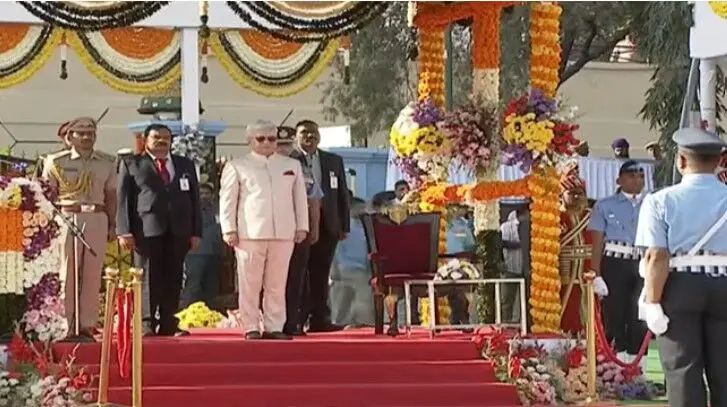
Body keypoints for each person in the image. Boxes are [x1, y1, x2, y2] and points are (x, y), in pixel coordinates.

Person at [636, 128, 727, 407]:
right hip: (724, 283)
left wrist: (652, 302)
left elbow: (657, 256)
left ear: (681, 161)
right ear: (720, 161)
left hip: (681, 286)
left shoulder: (660, 201)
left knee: (683, 370)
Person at [219, 121, 309, 340]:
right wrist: (228, 228)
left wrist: (302, 226)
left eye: (271, 138)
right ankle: (250, 325)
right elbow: (228, 200)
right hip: (250, 233)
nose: (267, 143)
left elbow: (300, 198)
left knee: (277, 284)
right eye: (261, 139)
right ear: (250, 141)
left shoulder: (290, 165)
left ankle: (274, 325)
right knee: (250, 283)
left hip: (283, 232)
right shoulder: (238, 166)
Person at [116, 123, 202, 336]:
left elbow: (195, 199)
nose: (162, 141)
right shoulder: (132, 164)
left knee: (173, 276)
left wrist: (196, 231)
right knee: (147, 277)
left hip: (179, 229)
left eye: (166, 137)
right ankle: (145, 322)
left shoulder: (184, 164)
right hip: (146, 230)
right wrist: (124, 231)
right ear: (145, 140)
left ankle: (168, 321)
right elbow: (123, 200)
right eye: (156, 137)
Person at [41, 117, 116, 339]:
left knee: (93, 274)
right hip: (67, 217)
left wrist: (113, 224)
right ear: (69, 136)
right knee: (67, 272)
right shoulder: (55, 161)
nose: (86, 138)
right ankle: (66, 324)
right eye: (81, 133)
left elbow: (111, 195)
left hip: (96, 217)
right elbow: (47, 196)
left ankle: (86, 324)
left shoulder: (107, 162)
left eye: (90, 134)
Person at [291, 120, 351, 332]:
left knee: (321, 272)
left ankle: (320, 319)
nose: (310, 136)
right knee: (299, 274)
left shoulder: (332, 161)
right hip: (299, 226)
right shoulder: (289, 160)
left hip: (328, 225)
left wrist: (344, 225)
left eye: (313, 132)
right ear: (295, 137)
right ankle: (297, 318)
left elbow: (342, 194)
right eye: (304, 133)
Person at [588, 160, 647, 367]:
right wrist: (596, 273)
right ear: (619, 180)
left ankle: (639, 368)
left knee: (640, 314)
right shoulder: (605, 205)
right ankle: (616, 367)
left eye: (641, 175)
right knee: (615, 313)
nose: (637, 179)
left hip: (642, 262)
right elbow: (597, 241)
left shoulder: (652, 203)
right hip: (614, 261)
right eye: (631, 175)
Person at [277, 125, 324, 336]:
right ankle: (271, 320)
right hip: (271, 233)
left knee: (297, 278)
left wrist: (313, 228)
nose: (283, 150)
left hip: (298, 232)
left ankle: (293, 320)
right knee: (272, 280)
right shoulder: (260, 168)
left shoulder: (302, 168)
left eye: (287, 145)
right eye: (279, 146)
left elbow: (314, 200)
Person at [558, 162, 591, 335]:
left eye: (580, 193)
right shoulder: (555, 216)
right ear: (562, 195)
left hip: (588, 280)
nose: (577, 197)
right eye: (572, 193)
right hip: (563, 279)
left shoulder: (591, 217)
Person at [180, 183, 223, 309]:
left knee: (211, 288)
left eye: (208, 193)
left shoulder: (217, 208)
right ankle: (189, 314)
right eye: (202, 193)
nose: (205, 196)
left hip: (214, 253)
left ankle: (209, 314)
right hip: (195, 254)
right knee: (194, 287)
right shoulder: (191, 208)